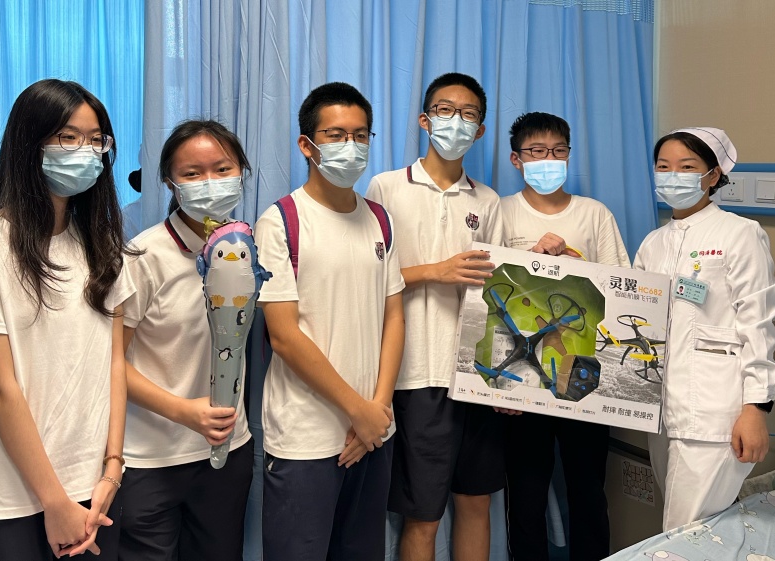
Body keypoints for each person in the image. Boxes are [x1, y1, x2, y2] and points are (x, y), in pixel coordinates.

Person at [0, 79, 133, 560]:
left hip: (97, 488)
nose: (85, 152)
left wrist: (112, 468)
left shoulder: (103, 245)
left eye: (96, 140)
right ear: (29, 142)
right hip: (15, 497)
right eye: (68, 137)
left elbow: (114, 364)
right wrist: (54, 501)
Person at [255, 82, 405, 561]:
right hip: (306, 438)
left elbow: (394, 316)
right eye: (336, 135)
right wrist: (357, 411)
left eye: (360, 136)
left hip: (374, 433)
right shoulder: (280, 221)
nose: (351, 146)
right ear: (307, 145)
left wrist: (376, 410)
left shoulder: (380, 220)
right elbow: (284, 336)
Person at [366, 72, 504, 561]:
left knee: (476, 503)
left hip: (476, 377)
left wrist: (503, 380)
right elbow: (367, 277)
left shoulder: (487, 200)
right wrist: (435, 271)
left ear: (480, 130)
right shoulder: (386, 187)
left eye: (468, 114)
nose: (456, 121)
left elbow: (499, 293)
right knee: (422, 514)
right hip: (416, 374)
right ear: (425, 120)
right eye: (446, 110)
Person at [118, 120, 255, 560]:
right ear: (169, 183)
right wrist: (184, 411)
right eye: (193, 173)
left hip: (227, 451)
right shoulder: (142, 257)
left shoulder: (247, 248)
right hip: (151, 459)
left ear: (241, 172)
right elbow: (110, 363)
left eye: (222, 169)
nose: (210, 183)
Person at [634, 127, 775, 531]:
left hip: (717, 413)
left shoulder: (740, 233)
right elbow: (635, 315)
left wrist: (756, 408)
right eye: (664, 167)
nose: (673, 176)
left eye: (686, 167)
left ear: (713, 175)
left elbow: (758, 323)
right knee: (686, 533)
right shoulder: (653, 243)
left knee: (683, 535)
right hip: (664, 413)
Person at [500, 112, 629, 561]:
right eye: (537, 152)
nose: (548, 160)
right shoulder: (501, 212)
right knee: (526, 492)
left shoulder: (594, 214)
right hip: (524, 375)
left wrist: (575, 263)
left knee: (588, 488)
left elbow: (621, 288)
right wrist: (532, 261)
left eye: (557, 151)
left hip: (583, 371)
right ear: (516, 159)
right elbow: (488, 293)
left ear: (569, 156)